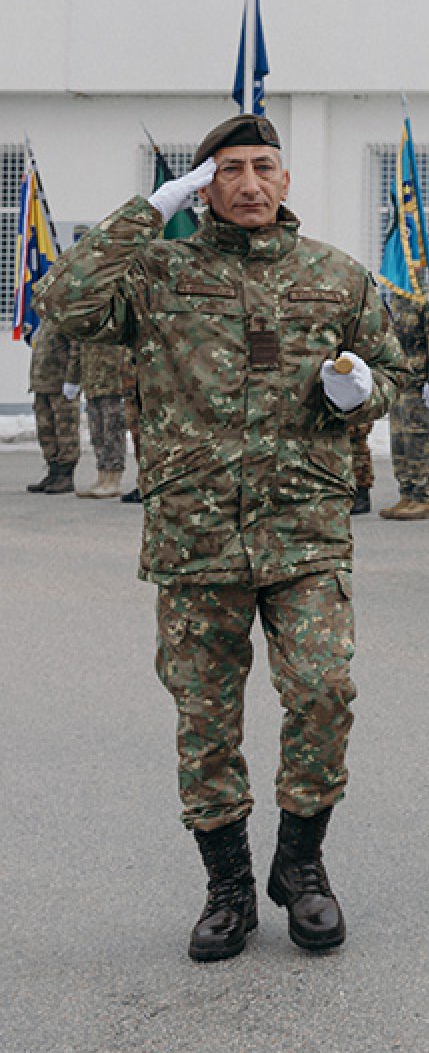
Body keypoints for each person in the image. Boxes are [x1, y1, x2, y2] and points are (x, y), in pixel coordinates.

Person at [35, 112, 400, 961]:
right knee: (206, 716)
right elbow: (63, 300)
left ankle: (301, 868)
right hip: (196, 534)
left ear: (286, 179)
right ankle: (228, 886)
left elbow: (391, 371)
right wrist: (146, 212)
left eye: (262, 166)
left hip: (304, 530)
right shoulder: (157, 273)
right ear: (202, 186)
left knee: (323, 692)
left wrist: (361, 395)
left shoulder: (333, 276)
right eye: (226, 169)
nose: (247, 183)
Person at [376, 290, 429, 520]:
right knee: (400, 439)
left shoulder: (424, 302)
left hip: (418, 380)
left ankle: (422, 497)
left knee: (418, 438)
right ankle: (406, 493)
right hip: (398, 380)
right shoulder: (394, 302)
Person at [22, 323, 81, 495]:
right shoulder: (44, 323)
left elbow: (76, 351)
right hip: (42, 385)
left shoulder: (65, 318)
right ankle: (53, 471)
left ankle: (65, 475)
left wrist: (73, 380)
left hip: (61, 385)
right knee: (46, 430)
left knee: (66, 431)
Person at [72, 340, 134, 500]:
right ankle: (102, 476)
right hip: (92, 384)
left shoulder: (113, 320)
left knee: (112, 431)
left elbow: (126, 351)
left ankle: (114, 479)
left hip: (112, 384)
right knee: (97, 433)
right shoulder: (88, 323)